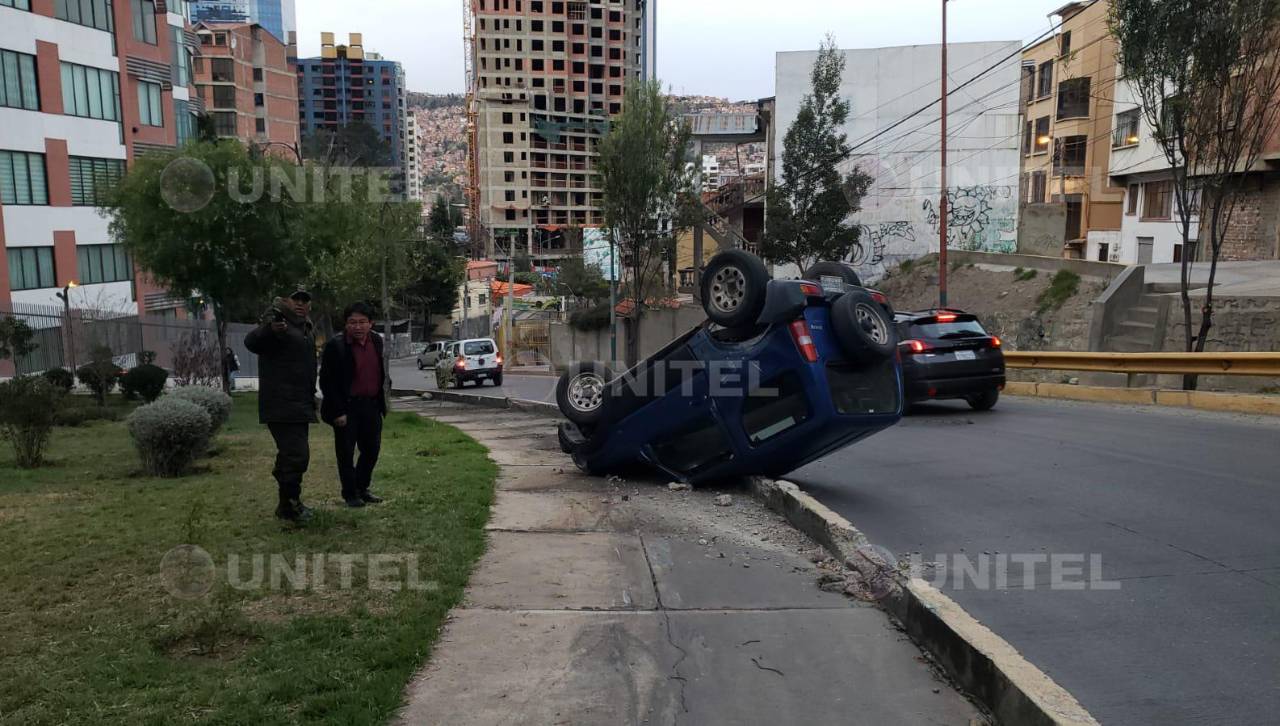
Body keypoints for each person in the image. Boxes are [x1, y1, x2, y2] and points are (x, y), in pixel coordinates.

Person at [244, 289, 318, 521]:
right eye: (295, 299)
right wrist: (270, 330)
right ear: (285, 301)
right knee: (297, 455)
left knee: (293, 456)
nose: (300, 303)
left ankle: (288, 504)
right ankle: (289, 507)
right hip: (281, 404)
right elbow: (252, 342)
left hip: (300, 404)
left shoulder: (304, 327)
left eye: (305, 300)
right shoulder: (277, 323)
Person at [320, 302, 388, 508]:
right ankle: (350, 494)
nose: (357, 327)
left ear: (370, 323)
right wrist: (338, 411)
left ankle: (362, 487)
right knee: (346, 453)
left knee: (372, 450)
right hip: (347, 407)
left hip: (371, 405)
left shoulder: (376, 341)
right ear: (346, 324)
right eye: (352, 322)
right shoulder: (336, 345)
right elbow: (327, 381)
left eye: (362, 322)